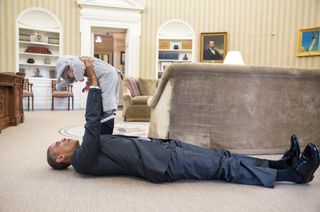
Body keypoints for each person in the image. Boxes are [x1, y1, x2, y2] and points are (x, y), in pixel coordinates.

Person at [47, 65, 320, 188]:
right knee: (221, 168)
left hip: (164, 149)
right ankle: (294, 176)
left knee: (223, 156)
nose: (61, 142)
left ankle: (280, 165)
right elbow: (92, 124)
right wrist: (93, 80)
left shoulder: (91, 150)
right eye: (57, 145)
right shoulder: (82, 161)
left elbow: (104, 117)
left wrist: (97, 81)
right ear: (61, 158)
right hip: (162, 164)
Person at [55, 56, 122, 134]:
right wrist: (87, 84)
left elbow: (80, 71)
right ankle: (110, 110)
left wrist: (80, 78)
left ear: (67, 67)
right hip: (110, 73)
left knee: (107, 96)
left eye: (69, 76)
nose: (71, 77)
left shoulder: (75, 62)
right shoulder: (83, 64)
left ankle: (108, 112)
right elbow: (93, 73)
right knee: (112, 94)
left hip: (107, 75)